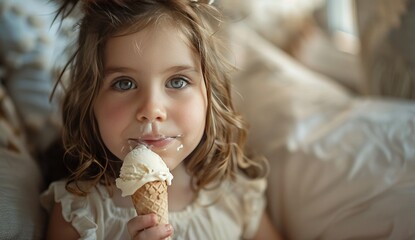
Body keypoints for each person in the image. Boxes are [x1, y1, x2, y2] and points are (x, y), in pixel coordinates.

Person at [40, 0, 283, 239]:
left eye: (177, 81)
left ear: (211, 95)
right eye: (124, 83)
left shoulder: (235, 199)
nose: (151, 109)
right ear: (89, 100)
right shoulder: (78, 213)